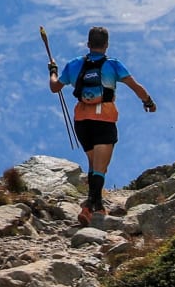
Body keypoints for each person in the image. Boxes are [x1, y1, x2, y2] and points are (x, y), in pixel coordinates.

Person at [48, 25, 156, 224]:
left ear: (88, 44)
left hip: (81, 121)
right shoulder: (113, 65)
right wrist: (148, 101)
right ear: (106, 45)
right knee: (100, 167)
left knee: (93, 163)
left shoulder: (74, 65)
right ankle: (90, 207)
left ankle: (97, 206)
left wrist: (53, 71)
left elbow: (55, 87)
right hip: (104, 120)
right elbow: (136, 87)